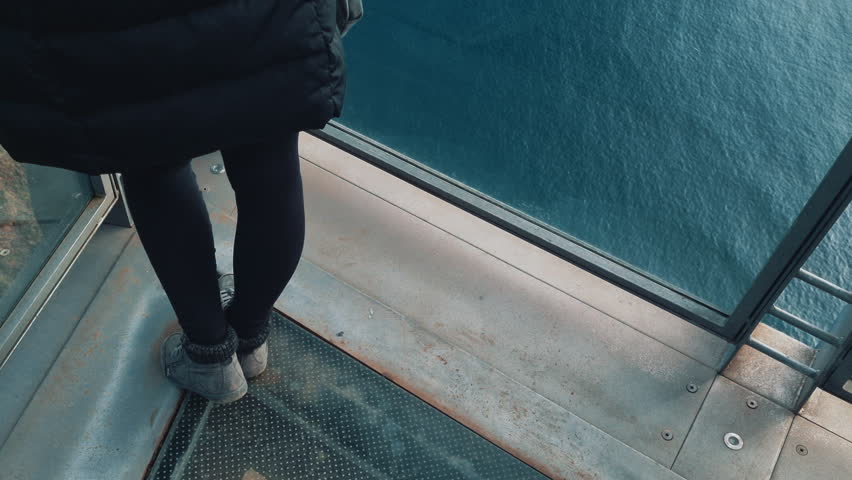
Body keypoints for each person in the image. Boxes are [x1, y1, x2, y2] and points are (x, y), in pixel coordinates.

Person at [0, 1, 346, 403]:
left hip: (111, 31)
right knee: (269, 152)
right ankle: (250, 338)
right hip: (261, 16)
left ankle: (210, 358)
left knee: (151, 159)